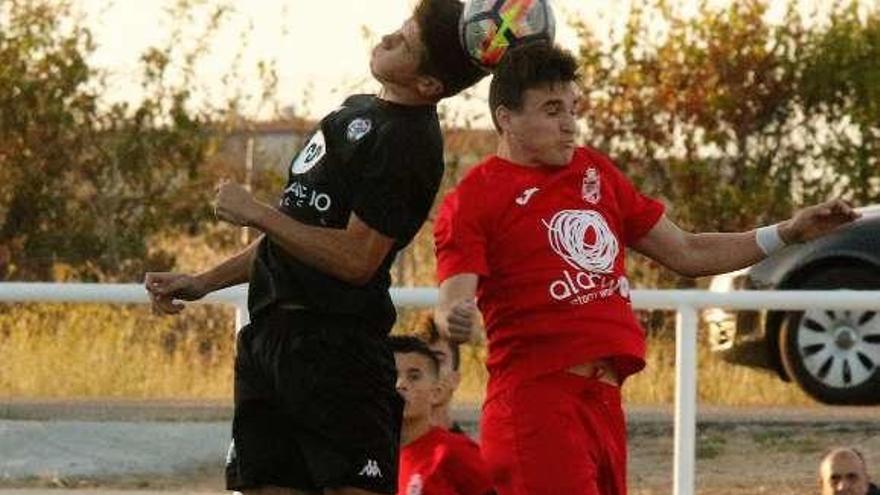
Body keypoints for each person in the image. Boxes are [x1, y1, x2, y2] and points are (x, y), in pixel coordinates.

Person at [432, 41, 861, 495]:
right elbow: (453, 295)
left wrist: (788, 233)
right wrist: (453, 316)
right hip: (537, 404)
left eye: (573, 108)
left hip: (603, 402)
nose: (569, 124)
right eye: (552, 109)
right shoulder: (475, 197)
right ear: (506, 118)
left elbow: (688, 252)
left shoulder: (592, 171)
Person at [144, 2, 486, 494]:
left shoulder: (407, 143)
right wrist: (202, 282)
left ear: (429, 85)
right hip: (270, 339)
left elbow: (355, 258)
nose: (388, 39)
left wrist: (256, 211)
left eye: (406, 44)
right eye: (398, 30)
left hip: (336, 348)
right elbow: (294, 234)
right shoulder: (353, 110)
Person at [390, 335, 493, 495]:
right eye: (392, 376)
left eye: (414, 377)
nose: (400, 384)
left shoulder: (453, 451)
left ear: (436, 392)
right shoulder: (371, 457)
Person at [413, 312, 465, 433]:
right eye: (421, 360)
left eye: (438, 360)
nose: (428, 370)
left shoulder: (466, 450)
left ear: (455, 379)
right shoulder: (387, 444)